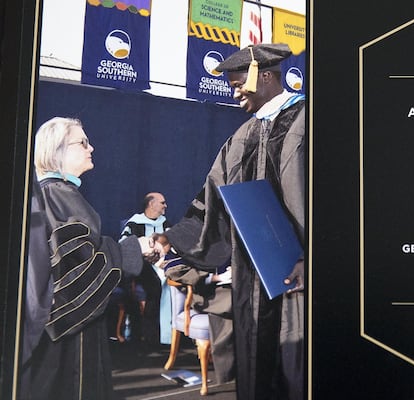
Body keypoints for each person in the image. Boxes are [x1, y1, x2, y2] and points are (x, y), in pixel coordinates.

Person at [159, 43, 305, 400]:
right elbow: (211, 204)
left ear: (266, 77)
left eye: (239, 84)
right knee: (257, 370)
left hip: (302, 280)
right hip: (253, 280)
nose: (234, 92)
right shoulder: (240, 139)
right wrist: (171, 242)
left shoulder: (311, 124)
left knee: (299, 366)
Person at [19, 116, 159, 400]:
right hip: (69, 340)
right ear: (57, 151)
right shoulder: (58, 195)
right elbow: (78, 273)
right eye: (82, 142)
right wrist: (135, 249)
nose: (91, 147)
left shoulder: (49, 195)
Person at [114, 192, 172, 345]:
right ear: (151, 204)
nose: (165, 206)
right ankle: (151, 336)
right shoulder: (134, 223)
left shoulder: (165, 223)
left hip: (164, 264)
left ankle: (173, 334)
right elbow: (125, 247)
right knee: (154, 286)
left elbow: (172, 244)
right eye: (162, 203)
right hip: (142, 266)